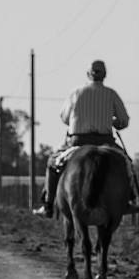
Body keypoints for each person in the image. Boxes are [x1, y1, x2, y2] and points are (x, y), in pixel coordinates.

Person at [34, 60, 130, 217]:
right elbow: (124, 121)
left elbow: (65, 118)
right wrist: (110, 121)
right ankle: (128, 200)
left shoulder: (75, 92)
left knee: (52, 163)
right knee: (127, 164)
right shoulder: (111, 94)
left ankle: (48, 204)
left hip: (78, 141)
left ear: (88, 74)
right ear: (104, 75)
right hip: (105, 142)